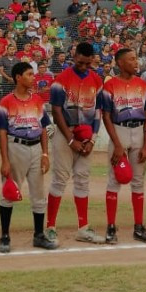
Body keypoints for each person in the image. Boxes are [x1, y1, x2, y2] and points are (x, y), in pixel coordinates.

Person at [45, 42, 107, 245]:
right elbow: (56, 111)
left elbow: (98, 112)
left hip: (86, 137)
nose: (84, 67)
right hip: (66, 135)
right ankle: (50, 227)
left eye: (88, 64)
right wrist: (70, 139)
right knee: (60, 179)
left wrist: (92, 139)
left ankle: (83, 228)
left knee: (82, 179)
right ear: (75, 56)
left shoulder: (96, 80)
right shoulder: (61, 80)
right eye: (81, 62)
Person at [0, 62, 55, 253]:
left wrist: (45, 154)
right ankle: (5, 236)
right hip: (15, 148)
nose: (33, 77)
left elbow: (44, 129)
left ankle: (38, 235)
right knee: (9, 192)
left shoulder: (37, 101)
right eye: (29, 74)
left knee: (38, 194)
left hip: (36, 147)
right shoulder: (6, 102)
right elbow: (2, 133)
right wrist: (5, 160)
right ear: (18, 78)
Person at [99, 47, 146, 243]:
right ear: (120, 63)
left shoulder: (144, 85)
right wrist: (117, 145)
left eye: (136, 58)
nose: (136, 62)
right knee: (115, 180)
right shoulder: (110, 86)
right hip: (118, 130)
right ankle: (111, 227)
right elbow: (105, 115)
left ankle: (139, 227)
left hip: (139, 132)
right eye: (131, 59)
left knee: (138, 181)